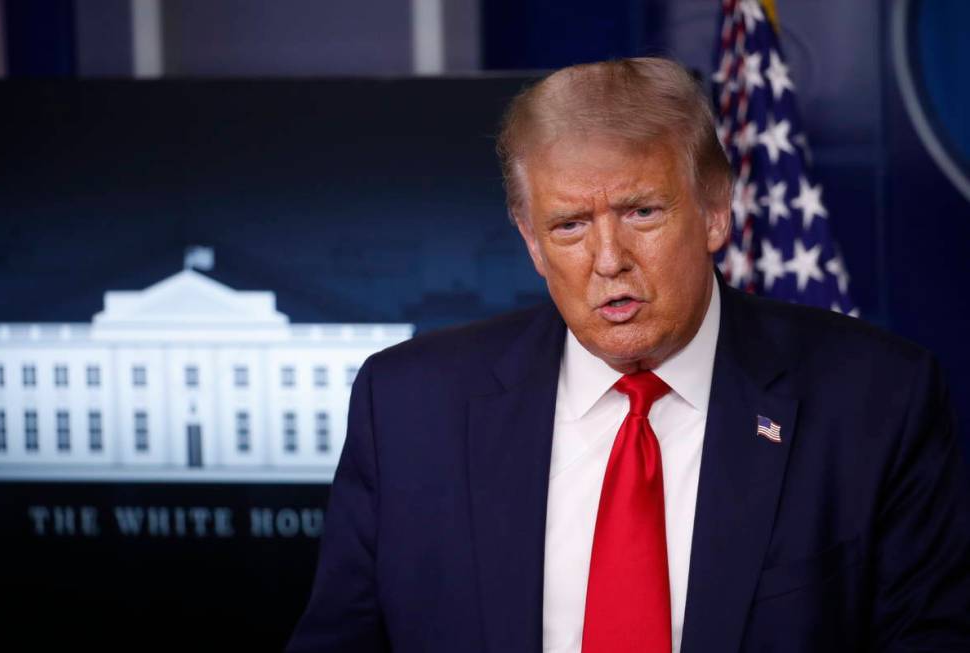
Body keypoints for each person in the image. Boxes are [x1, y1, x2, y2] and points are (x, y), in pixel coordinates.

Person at [286, 58, 970, 652]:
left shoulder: (877, 402)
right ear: (530, 239)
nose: (608, 260)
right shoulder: (408, 406)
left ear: (713, 210)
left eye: (642, 211)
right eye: (570, 225)